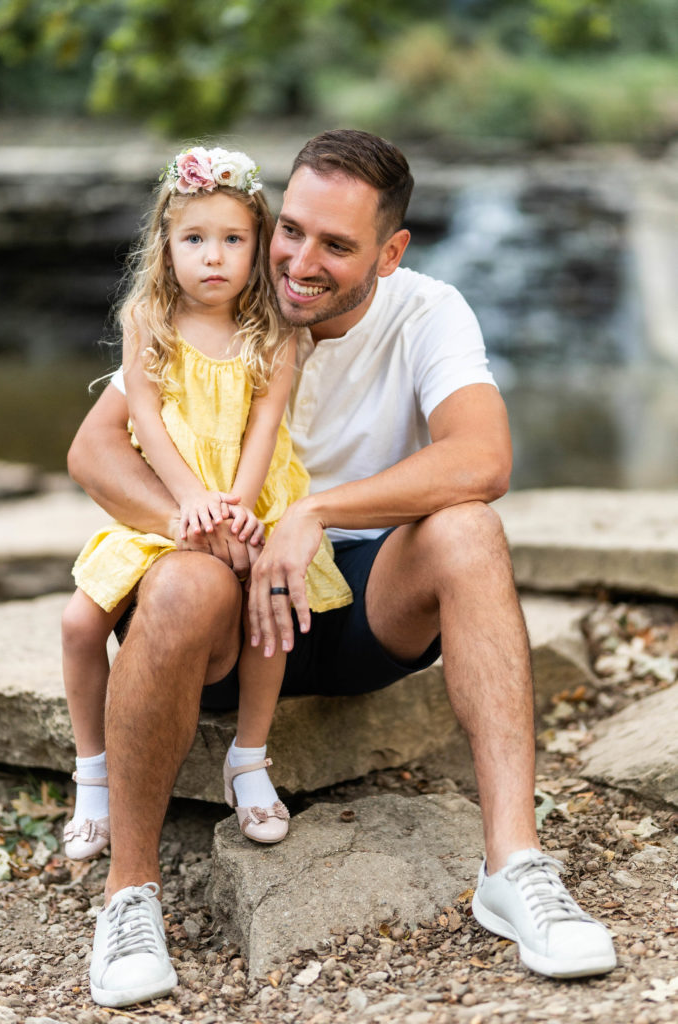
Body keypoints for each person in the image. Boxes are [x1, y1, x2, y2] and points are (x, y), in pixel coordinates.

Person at [68, 129, 616, 1008]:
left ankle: (515, 868)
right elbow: (93, 455)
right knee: (177, 581)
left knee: (467, 529)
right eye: (288, 229)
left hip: (357, 605)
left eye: (335, 245)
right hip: (218, 611)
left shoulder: (429, 311)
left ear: (390, 252)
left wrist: (312, 513)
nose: (297, 262)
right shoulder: (215, 303)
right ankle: (128, 897)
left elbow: (483, 459)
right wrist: (198, 526)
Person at [61, 145, 352, 873]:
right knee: (76, 622)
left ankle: (248, 758)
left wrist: (244, 511)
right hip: (174, 504)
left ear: (258, 247)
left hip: (249, 501)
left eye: (232, 240)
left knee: (269, 605)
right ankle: (91, 774)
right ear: (165, 243)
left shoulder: (272, 335)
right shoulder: (148, 321)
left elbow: (264, 430)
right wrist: (189, 503)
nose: (213, 257)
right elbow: (149, 426)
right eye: (194, 239)